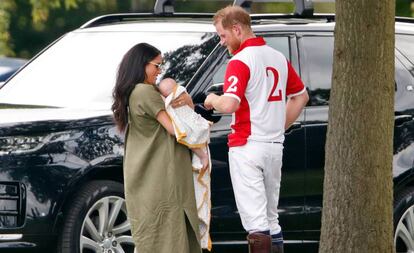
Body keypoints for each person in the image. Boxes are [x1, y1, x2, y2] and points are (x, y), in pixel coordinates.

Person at [204, 6, 309, 253]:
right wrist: (277, 127)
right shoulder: (277, 57)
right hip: (273, 146)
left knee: (256, 223)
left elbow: (229, 103)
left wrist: (211, 99)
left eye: (223, 36)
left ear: (237, 29)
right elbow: (301, 97)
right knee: (272, 219)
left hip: (247, 146)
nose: (222, 42)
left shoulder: (240, 60)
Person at [111, 43, 201, 253]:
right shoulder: (145, 91)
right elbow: (176, 128)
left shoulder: (134, 92)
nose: (159, 71)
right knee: (169, 238)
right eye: (156, 66)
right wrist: (201, 152)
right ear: (142, 65)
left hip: (146, 175)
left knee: (155, 237)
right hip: (160, 176)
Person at [158, 77, 212, 250]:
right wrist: (202, 155)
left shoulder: (179, 101)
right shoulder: (172, 106)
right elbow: (185, 132)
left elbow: (188, 128)